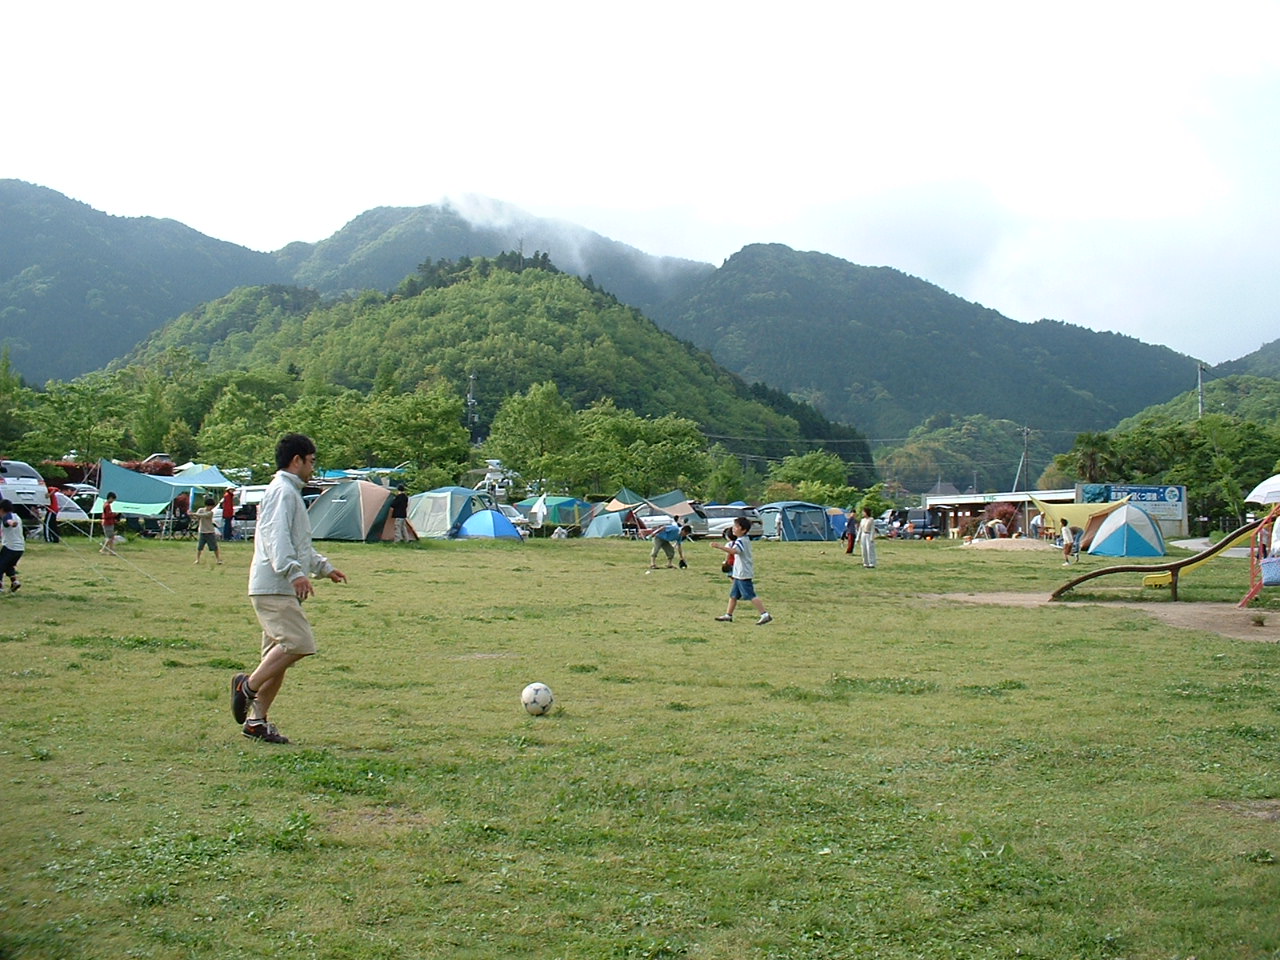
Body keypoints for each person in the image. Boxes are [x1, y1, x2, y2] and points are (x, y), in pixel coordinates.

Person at [231, 434, 347, 744]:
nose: (313, 468)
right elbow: (276, 538)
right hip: (273, 585)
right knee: (299, 643)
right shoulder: (282, 492)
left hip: (279, 586)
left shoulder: (289, 493)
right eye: (311, 461)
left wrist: (324, 568)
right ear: (296, 460)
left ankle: (256, 722)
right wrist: (294, 572)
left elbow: (299, 543)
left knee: (276, 659)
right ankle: (247, 686)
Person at [712, 516, 772, 624]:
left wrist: (720, 546)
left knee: (750, 595)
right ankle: (728, 615)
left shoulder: (742, 540)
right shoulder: (742, 539)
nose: (733, 528)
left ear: (743, 530)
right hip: (739, 573)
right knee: (733, 595)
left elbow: (735, 551)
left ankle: (764, 614)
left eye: (736, 527)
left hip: (743, 573)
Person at [0, 499, 24, 593]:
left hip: (10, 547)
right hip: (20, 548)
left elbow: (8, 521)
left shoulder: (7, 516)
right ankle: (15, 582)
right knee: (8, 565)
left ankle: (0, 586)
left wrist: (11, 523)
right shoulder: (17, 516)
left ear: (2, 509)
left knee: (1, 565)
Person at [192, 496, 222, 565]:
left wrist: (194, 514)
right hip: (202, 531)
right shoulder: (200, 510)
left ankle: (218, 560)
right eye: (210, 506)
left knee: (214, 547)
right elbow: (197, 517)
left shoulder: (210, 513)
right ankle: (197, 559)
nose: (211, 508)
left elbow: (204, 515)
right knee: (199, 547)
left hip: (210, 532)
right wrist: (191, 515)